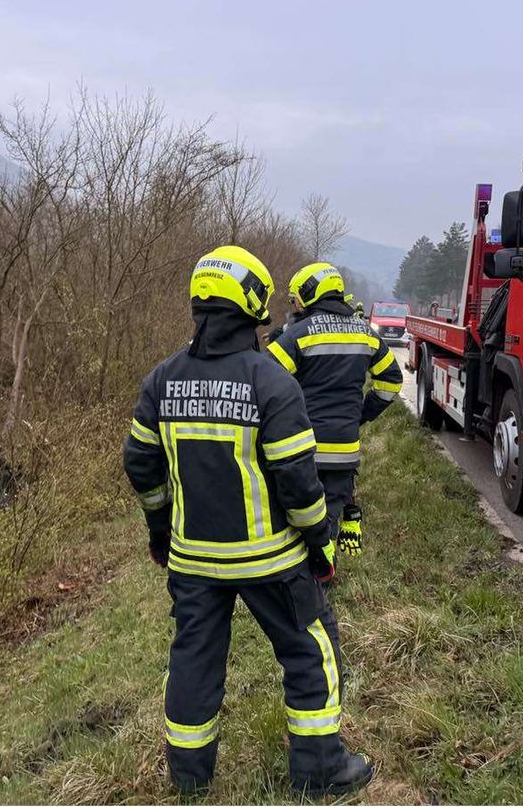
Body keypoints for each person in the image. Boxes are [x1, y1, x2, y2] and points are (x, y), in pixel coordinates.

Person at [123, 245, 373, 797]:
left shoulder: (161, 380)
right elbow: (299, 483)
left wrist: (160, 530)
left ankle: (189, 781)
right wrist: (317, 545)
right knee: (311, 650)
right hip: (272, 560)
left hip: (193, 561)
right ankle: (321, 770)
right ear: (256, 303)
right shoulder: (271, 383)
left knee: (193, 660)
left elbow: (140, 464)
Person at [267, 263, 403, 560]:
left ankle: (306, 576)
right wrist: (361, 414)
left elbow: (264, 380)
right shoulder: (366, 334)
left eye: (296, 299)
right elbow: (391, 382)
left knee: (297, 515)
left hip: (301, 448)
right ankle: (324, 573)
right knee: (329, 515)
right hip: (344, 450)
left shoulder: (299, 334)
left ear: (308, 294)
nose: (295, 305)